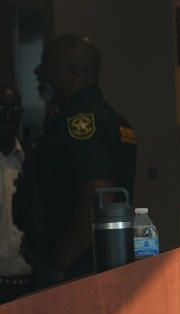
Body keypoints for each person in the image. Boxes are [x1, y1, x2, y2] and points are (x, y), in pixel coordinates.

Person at [18, 33, 136, 286]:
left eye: (47, 63)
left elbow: (98, 196)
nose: (38, 71)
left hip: (75, 276)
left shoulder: (80, 124)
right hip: (98, 268)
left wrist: (57, 264)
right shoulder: (112, 120)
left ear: (72, 72)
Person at [0, 85, 30, 304]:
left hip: (30, 281)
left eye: (13, 109)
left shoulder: (32, 160)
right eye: (1, 108)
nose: (7, 116)